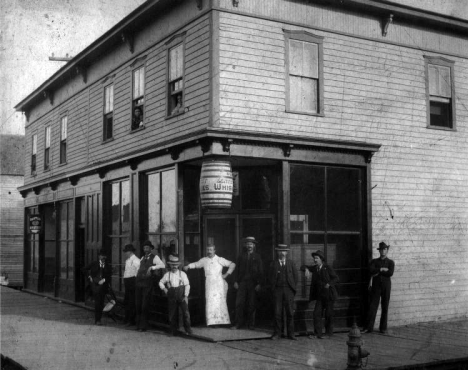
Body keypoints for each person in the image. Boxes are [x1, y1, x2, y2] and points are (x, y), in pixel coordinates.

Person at [183, 245, 236, 326]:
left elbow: (232, 265)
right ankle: (212, 322)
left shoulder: (219, 259)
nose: (209, 251)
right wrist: (188, 266)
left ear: (215, 250)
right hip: (209, 283)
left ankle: (223, 322)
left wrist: (226, 274)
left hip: (219, 283)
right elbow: (196, 264)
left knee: (219, 302)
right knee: (210, 301)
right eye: (208, 249)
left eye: (211, 250)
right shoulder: (204, 260)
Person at [301, 250, 339, 339]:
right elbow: (302, 266)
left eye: (316, 258)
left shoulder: (327, 267)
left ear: (321, 259)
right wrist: (306, 269)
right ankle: (317, 333)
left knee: (328, 315)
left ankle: (328, 333)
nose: (315, 260)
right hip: (320, 296)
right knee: (316, 314)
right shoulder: (315, 268)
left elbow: (336, 278)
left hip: (329, 295)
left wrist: (329, 284)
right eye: (314, 258)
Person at [362, 242, 395, 334]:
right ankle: (368, 328)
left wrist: (378, 272)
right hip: (376, 286)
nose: (383, 251)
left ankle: (383, 328)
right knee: (373, 306)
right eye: (381, 249)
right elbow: (371, 270)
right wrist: (381, 269)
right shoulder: (374, 261)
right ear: (379, 251)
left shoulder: (390, 262)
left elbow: (390, 273)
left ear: (387, 250)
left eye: (385, 249)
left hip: (386, 286)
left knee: (385, 306)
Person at [232, 236, 264, 330]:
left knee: (251, 304)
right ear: (245, 245)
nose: (249, 245)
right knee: (239, 303)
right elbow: (236, 270)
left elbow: (261, 271)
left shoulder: (257, 257)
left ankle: (251, 325)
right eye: (248, 244)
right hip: (242, 283)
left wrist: (259, 284)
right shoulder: (241, 256)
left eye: (251, 244)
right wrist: (235, 281)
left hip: (253, 284)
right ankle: (238, 324)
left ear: (254, 245)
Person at [268, 244, 298, 340]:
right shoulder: (273, 264)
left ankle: (291, 334)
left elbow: (295, 277)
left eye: (284, 251)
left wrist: (292, 289)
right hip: (277, 290)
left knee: (290, 312)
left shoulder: (291, 263)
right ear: (277, 252)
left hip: (288, 290)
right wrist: (273, 288)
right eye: (280, 251)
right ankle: (277, 333)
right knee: (277, 312)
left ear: (287, 252)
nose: (282, 253)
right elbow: (270, 278)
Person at [135, 240, 165, 332]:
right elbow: (138, 269)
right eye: (144, 248)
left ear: (151, 249)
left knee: (144, 305)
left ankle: (143, 326)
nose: (146, 249)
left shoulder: (155, 257)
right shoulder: (142, 258)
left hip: (148, 284)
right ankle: (138, 325)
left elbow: (163, 265)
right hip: (139, 283)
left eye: (147, 248)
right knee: (138, 304)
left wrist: (152, 267)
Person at [159, 255, 192, 336]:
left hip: (182, 296)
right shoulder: (167, 274)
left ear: (178, 265)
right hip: (172, 296)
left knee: (186, 313)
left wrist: (186, 295)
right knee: (172, 314)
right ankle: (173, 331)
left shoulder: (182, 274)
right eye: (172, 264)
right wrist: (164, 289)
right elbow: (160, 282)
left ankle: (188, 330)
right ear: (170, 265)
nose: (174, 266)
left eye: (176, 264)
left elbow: (187, 285)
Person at [82, 249, 113, 326]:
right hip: (95, 286)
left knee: (101, 302)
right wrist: (89, 277)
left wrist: (104, 280)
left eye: (104, 256)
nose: (103, 257)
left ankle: (98, 319)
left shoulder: (108, 266)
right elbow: (84, 269)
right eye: (102, 256)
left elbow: (109, 276)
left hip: (103, 286)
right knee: (97, 302)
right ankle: (97, 320)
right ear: (99, 256)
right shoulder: (94, 264)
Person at [122, 244, 140, 326]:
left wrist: (135, 281)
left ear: (130, 252)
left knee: (132, 301)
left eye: (126, 252)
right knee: (127, 300)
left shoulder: (136, 260)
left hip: (133, 281)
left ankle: (131, 320)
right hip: (127, 281)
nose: (125, 253)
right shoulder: (127, 260)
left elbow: (137, 272)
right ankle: (127, 318)